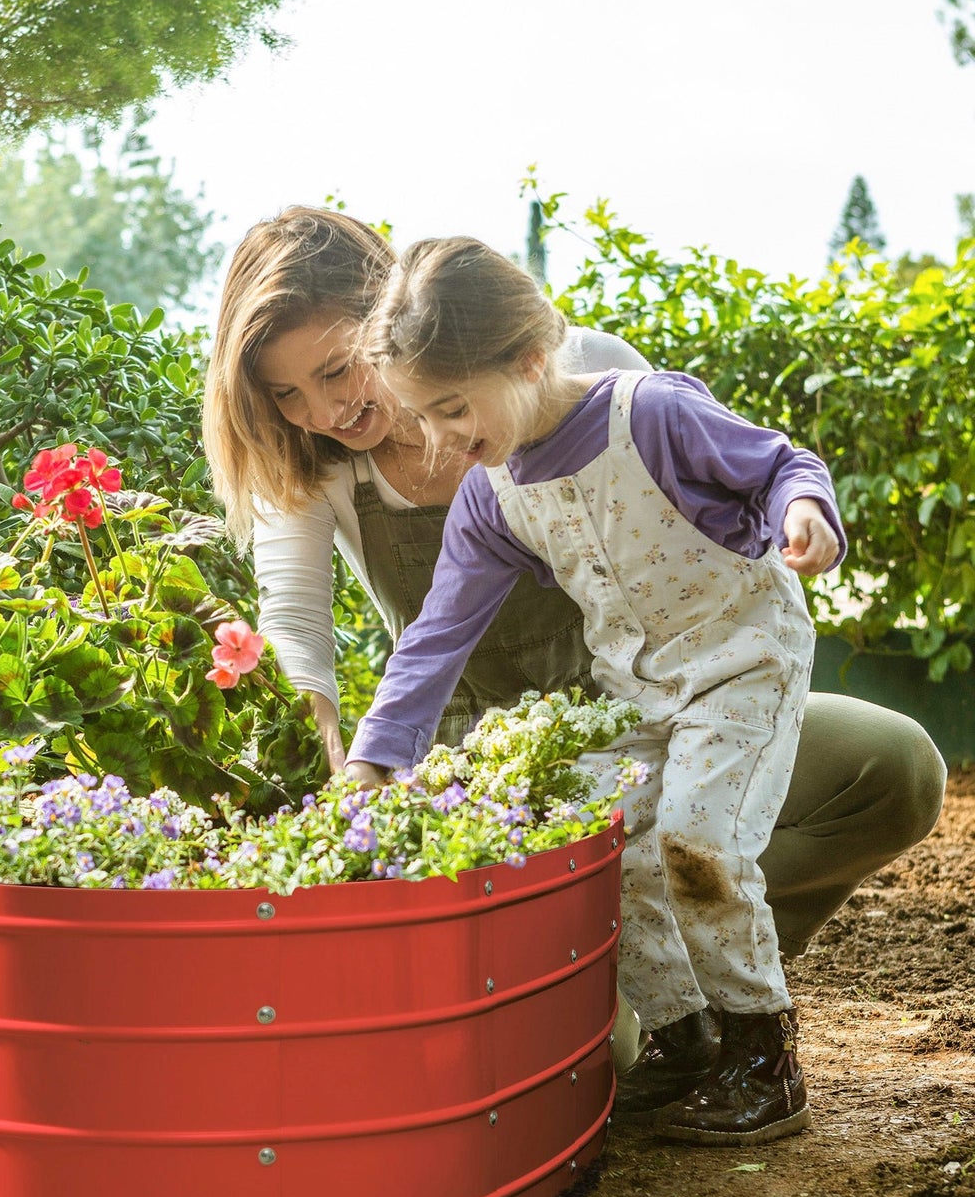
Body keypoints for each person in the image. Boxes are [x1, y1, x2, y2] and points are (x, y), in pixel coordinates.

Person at [202, 206, 947, 1121]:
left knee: (859, 779)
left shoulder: (600, 383)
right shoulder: (375, 474)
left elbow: (749, 472)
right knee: (613, 1005)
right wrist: (353, 766)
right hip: (510, 752)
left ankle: (741, 1018)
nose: (325, 412)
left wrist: (799, 518)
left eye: (336, 370)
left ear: (396, 320)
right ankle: (663, 1014)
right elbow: (364, 633)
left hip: (676, 696)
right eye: (286, 396)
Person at [341, 235, 850, 1145]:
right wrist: (377, 758)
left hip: (742, 661)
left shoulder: (648, 414)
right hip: (639, 692)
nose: (442, 439)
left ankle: (764, 1056)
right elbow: (437, 634)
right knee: (601, 836)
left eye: (453, 407)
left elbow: (779, 466)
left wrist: (804, 513)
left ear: (532, 358)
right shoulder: (492, 495)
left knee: (696, 842)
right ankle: (687, 1041)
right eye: (423, 418)